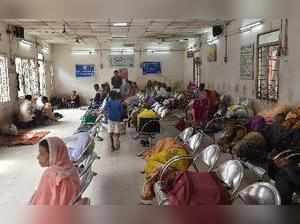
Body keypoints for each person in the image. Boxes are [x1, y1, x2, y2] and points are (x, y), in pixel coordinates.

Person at [30, 137, 81, 206]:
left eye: (42, 154)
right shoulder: (71, 168)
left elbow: (41, 202)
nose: (38, 157)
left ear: (53, 154)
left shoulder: (50, 174)